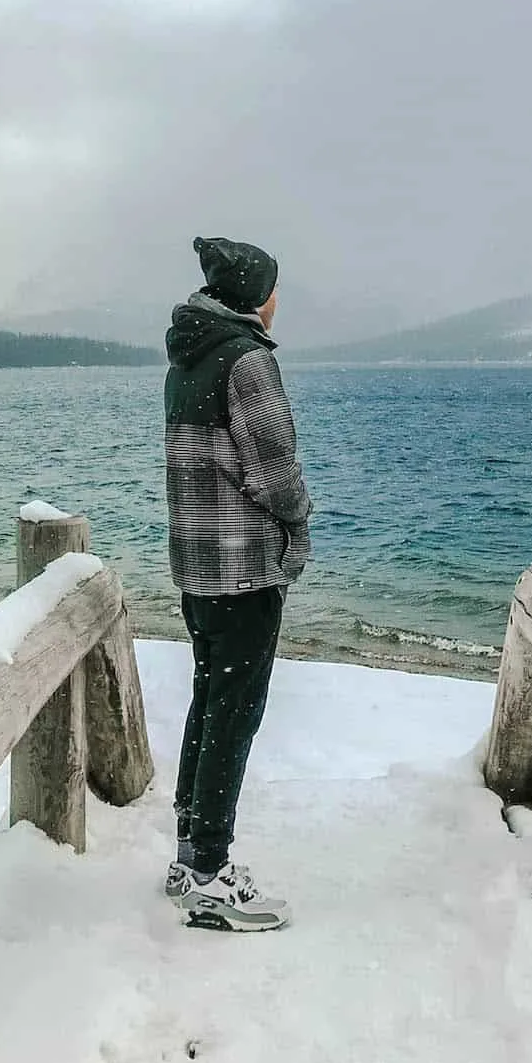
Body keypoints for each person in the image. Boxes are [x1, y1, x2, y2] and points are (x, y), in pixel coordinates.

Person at [162, 235, 312, 931]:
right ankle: (210, 874)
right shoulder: (248, 359)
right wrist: (299, 522)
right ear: (256, 293)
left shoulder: (187, 357)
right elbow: (274, 470)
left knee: (210, 696)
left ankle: (190, 849)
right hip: (245, 566)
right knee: (235, 708)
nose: (278, 301)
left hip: (196, 563)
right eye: (274, 289)